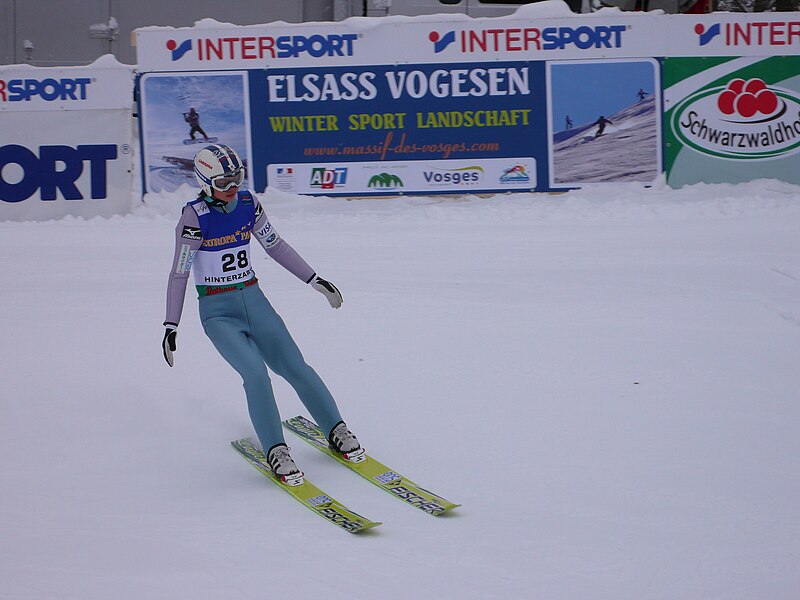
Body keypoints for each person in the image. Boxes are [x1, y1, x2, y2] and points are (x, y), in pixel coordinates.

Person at [162, 143, 364, 485]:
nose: (232, 189)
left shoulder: (247, 204)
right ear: (205, 183)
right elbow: (179, 272)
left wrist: (314, 279)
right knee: (256, 375)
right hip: (218, 313)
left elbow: (276, 245)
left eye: (237, 180)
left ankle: (336, 429)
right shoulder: (194, 218)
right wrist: (171, 325)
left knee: (296, 366)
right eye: (224, 183)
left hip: (256, 302)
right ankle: (277, 450)